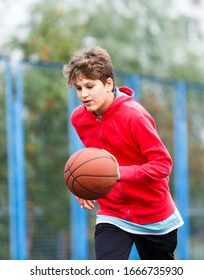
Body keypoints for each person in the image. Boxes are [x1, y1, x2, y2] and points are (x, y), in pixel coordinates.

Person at [62, 46, 183, 260]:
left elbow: (163, 164)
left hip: (154, 216)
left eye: (90, 86)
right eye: (79, 88)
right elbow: (92, 160)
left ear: (108, 83)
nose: (84, 94)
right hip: (113, 214)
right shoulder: (79, 118)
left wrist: (118, 173)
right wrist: (82, 185)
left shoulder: (134, 116)